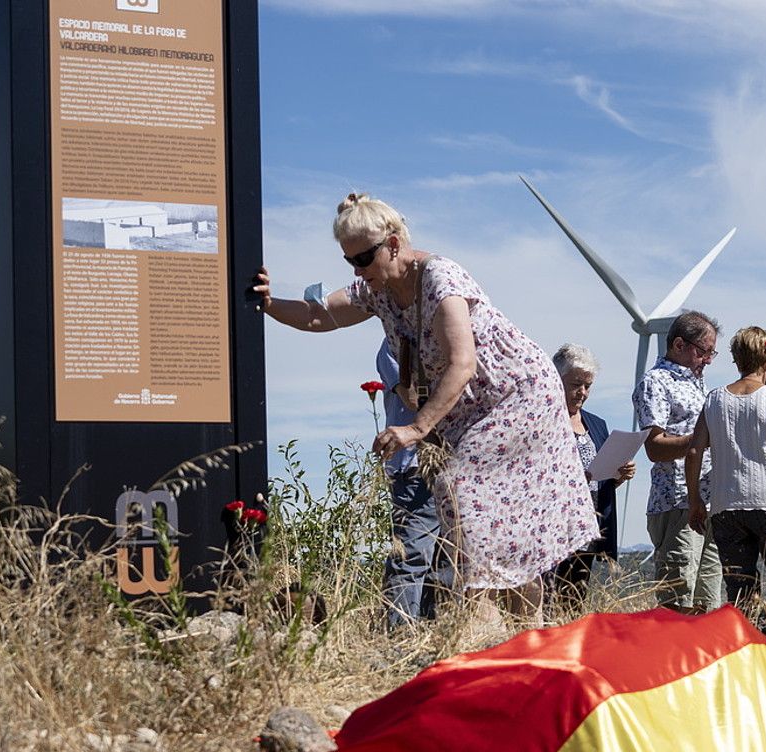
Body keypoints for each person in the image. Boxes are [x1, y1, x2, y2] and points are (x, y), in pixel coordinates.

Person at [253, 193, 599, 626]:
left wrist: (416, 428)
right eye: (349, 262)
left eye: (363, 258)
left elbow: (462, 363)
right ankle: (525, 633)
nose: (357, 270)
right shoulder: (375, 291)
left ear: (394, 245)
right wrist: (269, 304)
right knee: (495, 527)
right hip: (472, 409)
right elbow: (317, 315)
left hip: (516, 398)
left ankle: (483, 631)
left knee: (463, 494)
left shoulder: (440, 278)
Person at [685, 326, 766, 636]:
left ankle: (745, 643)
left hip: (727, 504)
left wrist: (696, 500)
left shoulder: (713, 400)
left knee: (739, 585)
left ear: (737, 360)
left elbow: (695, 451)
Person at [633, 311, 724, 613]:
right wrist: (703, 440)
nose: (709, 359)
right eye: (704, 351)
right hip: (676, 504)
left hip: (707, 503)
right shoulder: (656, 382)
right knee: (679, 604)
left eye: (712, 352)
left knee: (707, 606)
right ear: (679, 345)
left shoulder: (698, 382)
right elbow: (655, 448)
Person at [552, 344, 636, 615]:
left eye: (588, 386)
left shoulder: (596, 424)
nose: (583, 392)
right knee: (548, 596)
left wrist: (617, 476)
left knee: (575, 598)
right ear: (556, 379)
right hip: (554, 526)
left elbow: (600, 477)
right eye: (576, 384)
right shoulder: (545, 419)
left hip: (589, 526)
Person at [376, 338, 451, 629]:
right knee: (412, 556)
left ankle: (435, 637)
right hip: (415, 468)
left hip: (451, 466)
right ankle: (399, 639)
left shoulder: (451, 341)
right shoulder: (395, 345)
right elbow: (412, 397)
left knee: (446, 564)